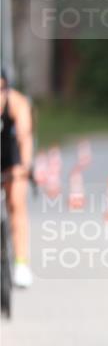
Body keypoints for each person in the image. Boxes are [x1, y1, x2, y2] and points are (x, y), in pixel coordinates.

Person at [1, 69, 34, 288]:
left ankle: (21, 264)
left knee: (16, 201)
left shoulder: (17, 104)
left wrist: (24, 168)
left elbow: (25, 138)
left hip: (12, 156)